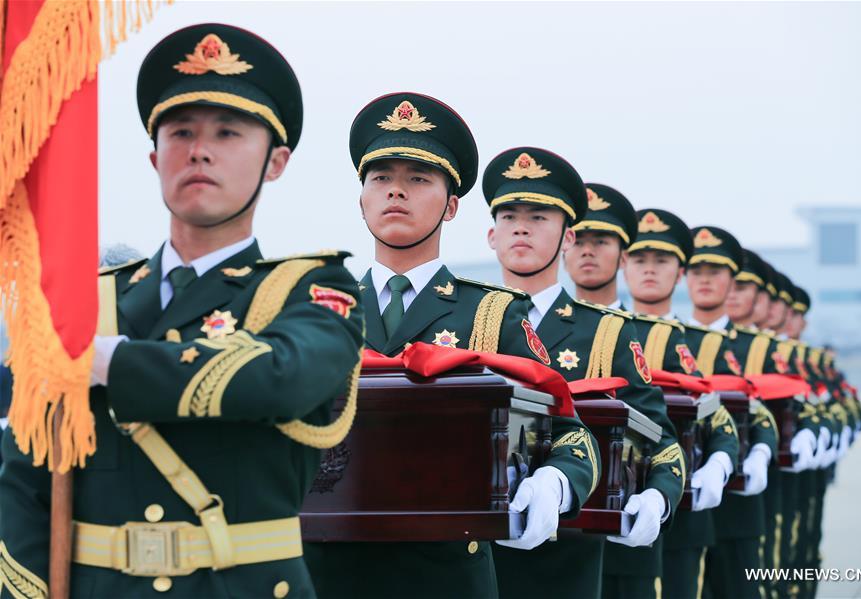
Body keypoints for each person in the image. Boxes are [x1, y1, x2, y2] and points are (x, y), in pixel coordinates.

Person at [0, 24, 365, 598]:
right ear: (154, 157)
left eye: (228, 132)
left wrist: (108, 363)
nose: (199, 149)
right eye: (180, 132)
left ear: (276, 162)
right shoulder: (84, 302)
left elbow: (281, 381)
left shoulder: (310, 289)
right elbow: (24, 486)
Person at [303, 94, 600, 599]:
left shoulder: (494, 313)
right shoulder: (314, 309)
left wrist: (555, 481)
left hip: (445, 574)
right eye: (381, 179)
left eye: (418, 179)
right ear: (362, 199)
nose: (396, 192)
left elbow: (573, 436)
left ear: (452, 204)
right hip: (323, 570)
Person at [484, 166, 684, 598]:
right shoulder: (471, 317)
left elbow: (659, 438)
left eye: (538, 218)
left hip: (570, 552)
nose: (522, 229)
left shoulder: (606, 332)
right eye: (510, 217)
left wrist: (659, 497)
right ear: (491, 236)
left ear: (565, 238)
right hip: (472, 546)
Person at [621, 209, 739, 599]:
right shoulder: (606, 331)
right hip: (612, 500)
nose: (649, 270)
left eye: (662, 260)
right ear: (624, 264)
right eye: (639, 259)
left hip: (683, 510)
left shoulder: (700, 343)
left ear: (680, 272)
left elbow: (716, 412)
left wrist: (722, 462)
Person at [682, 226, 778, 599]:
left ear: (732, 279)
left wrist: (761, 450)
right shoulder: (667, 338)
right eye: (697, 271)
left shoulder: (755, 347)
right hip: (684, 497)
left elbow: (767, 410)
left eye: (716, 272)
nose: (705, 280)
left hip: (738, 499)